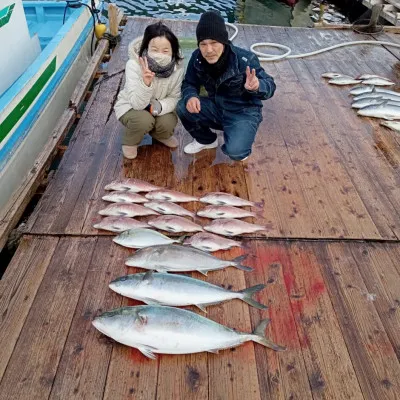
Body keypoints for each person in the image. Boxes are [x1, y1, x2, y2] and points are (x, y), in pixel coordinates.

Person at [177, 11, 276, 161]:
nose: (208, 50)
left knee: (236, 152)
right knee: (182, 106)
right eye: (203, 44)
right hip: (216, 107)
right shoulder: (197, 57)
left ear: (223, 41)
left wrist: (257, 86)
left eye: (214, 43)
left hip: (243, 112)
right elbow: (189, 82)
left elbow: (270, 86)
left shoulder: (245, 59)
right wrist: (191, 96)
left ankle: (240, 138)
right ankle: (207, 140)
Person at [114, 22, 184, 159]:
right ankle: (130, 142)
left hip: (158, 107)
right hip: (131, 106)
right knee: (144, 120)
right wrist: (146, 84)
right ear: (146, 48)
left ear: (173, 51)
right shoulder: (133, 65)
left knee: (168, 122)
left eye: (165, 51)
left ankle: (160, 135)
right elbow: (136, 104)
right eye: (154, 49)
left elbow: (175, 97)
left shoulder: (178, 70)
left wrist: (159, 106)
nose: (160, 55)